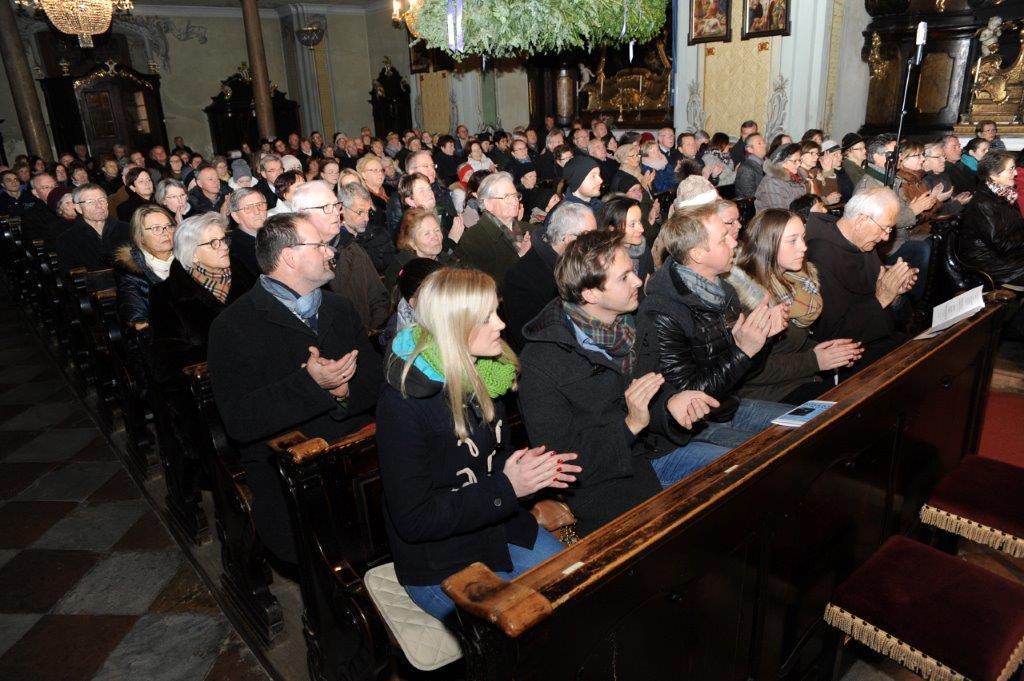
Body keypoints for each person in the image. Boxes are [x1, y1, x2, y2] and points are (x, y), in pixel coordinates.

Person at [376, 267, 580, 621]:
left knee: (580, 584)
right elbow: (414, 519)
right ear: (455, 326)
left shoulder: (487, 373)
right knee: (523, 625)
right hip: (441, 559)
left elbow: (489, 458)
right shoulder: (402, 405)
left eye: (496, 311)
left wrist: (525, 470)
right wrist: (507, 487)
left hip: (496, 528)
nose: (501, 324)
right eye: (487, 318)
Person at [519, 230, 726, 536]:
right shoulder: (541, 361)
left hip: (652, 452)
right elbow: (561, 464)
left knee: (737, 469)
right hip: (601, 485)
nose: (638, 281)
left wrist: (671, 403)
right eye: (624, 277)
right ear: (591, 294)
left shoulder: (633, 323)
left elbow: (649, 391)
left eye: (633, 271)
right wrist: (629, 426)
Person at [209, 212, 383, 567]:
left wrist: (342, 393)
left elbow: (376, 381)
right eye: (319, 245)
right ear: (289, 257)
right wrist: (312, 386)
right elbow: (241, 420)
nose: (330, 251)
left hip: (357, 454)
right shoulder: (233, 324)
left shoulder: (339, 307)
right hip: (291, 469)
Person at [635, 201, 791, 450]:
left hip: (727, 406)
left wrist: (762, 338)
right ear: (698, 254)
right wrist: (743, 350)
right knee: (772, 452)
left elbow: (743, 373)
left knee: (805, 425)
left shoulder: (723, 290)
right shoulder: (662, 312)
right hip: (690, 432)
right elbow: (692, 399)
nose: (734, 242)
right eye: (723, 239)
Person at [725, 209, 863, 403]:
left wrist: (830, 351)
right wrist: (815, 360)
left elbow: (793, 343)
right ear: (768, 245)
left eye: (803, 237)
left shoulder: (795, 280)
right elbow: (750, 371)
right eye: (792, 241)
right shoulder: (747, 297)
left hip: (801, 378)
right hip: (767, 395)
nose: (803, 247)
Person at [805, 187, 914, 368]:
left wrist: (894, 292)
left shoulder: (861, 242)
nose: (886, 237)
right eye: (885, 228)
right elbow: (831, 335)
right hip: (849, 356)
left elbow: (877, 292)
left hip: (878, 336)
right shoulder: (820, 256)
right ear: (862, 220)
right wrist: (882, 298)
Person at [148, 212, 241, 385]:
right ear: (193, 254)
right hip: (210, 381)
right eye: (214, 243)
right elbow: (168, 361)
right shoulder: (166, 295)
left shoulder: (244, 274)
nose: (224, 247)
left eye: (224, 239)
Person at [293, 181, 389, 332]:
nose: (336, 213)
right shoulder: (294, 260)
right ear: (302, 214)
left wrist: (369, 331)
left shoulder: (352, 248)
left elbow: (379, 298)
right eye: (326, 207)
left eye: (336, 205)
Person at [502, 202, 597, 349]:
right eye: (591, 239)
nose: (596, 246)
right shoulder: (520, 278)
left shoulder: (581, 263)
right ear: (570, 240)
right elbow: (532, 340)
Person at [958, 151, 1024, 285]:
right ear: (994, 175)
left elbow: (1018, 227)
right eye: (1011, 169)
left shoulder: (1007, 194)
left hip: (1007, 253)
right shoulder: (983, 203)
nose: (1016, 173)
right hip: (989, 260)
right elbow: (1000, 244)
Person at [458, 172, 532, 285]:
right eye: (506, 197)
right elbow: (484, 285)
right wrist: (520, 255)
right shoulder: (472, 239)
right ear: (488, 204)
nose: (515, 202)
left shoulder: (529, 229)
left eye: (515, 196)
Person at [113, 205, 176, 325]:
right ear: (141, 237)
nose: (166, 233)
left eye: (169, 226)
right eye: (156, 228)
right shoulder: (129, 270)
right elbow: (137, 319)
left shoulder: (187, 258)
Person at [56, 184, 130, 270]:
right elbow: (72, 275)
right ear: (78, 208)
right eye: (90, 202)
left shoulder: (128, 230)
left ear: (107, 203)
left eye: (102, 200)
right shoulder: (67, 240)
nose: (99, 206)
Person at [384, 207, 460, 291]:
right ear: (411, 242)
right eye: (427, 234)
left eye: (437, 230)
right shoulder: (408, 275)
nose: (435, 237)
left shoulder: (446, 259)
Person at [597, 196, 654, 282]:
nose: (641, 229)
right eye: (632, 225)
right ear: (612, 228)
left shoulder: (643, 247)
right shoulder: (604, 261)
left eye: (640, 221)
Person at [227, 187, 268, 296]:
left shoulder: (277, 234)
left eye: (260, 205)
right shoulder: (233, 252)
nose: (257, 212)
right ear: (236, 216)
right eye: (248, 208)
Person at [755, 143, 807, 212]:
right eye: (795, 161)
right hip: (775, 218)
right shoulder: (772, 182)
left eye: (799, 160)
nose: (799, 164)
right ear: (782, 162)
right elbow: (780, 212)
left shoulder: (796, 178)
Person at [20, 173, 60, 246]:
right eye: (46, 187)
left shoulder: (70, 204)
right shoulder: (30, 216)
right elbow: (35, 244)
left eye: (55, 186)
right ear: (35, 193)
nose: (53, 190)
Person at [734, 133, 767, 199]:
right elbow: (751, 197)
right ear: (750, 149)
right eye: (759, 143)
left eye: (763, 142)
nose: (764, 145)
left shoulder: (766, 164)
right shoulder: (746, 169)